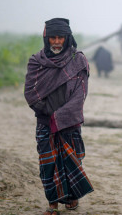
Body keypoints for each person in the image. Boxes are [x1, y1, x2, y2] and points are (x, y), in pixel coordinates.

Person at [24, 18, 94, 215]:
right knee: (48, 165)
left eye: (60, 38)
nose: (56, 42)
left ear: (67, 38)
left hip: (69, 124)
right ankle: (52, 204)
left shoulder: (78, 61)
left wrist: (60, 116)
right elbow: (30, 93)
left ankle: (72, 198)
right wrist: (48, 112)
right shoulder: (36, 62)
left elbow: (80, 95)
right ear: (47, 38)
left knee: (73, 160)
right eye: (53, 37)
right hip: (45, 122)